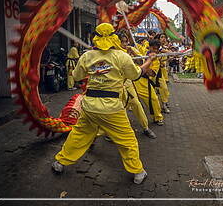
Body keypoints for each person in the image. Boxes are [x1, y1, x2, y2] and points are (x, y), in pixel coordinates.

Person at [52, 23, 157, 184]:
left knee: (78, 134)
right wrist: (149, 60)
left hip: (89, 107)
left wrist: (89, 67)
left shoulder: (87, 56)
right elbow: (136, 75)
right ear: (113, 37)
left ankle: (60, 162)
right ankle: (137, 172)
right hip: (111, 108)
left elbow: (77, 76)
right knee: (127, 140)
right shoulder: (122, 56)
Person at [119, 33, 157, 139]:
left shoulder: (129, 52)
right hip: (115, 85)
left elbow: (140, 63)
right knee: (116, 109)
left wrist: (134, 53)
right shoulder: (114, 54)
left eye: (126, 41)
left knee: (136, 103)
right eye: (122, 41)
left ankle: (145, 127)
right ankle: (102, 134)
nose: (125, 44)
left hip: (128, 82)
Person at [133, 40, 165, 125]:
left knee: (153, 99)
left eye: (157, 49)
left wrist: (146, 63)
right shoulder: (142, 51)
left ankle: (157, 117)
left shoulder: (156, 61)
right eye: (153, 48)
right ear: (149, 47)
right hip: (130, 81)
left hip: (143, 82)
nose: (155, 51)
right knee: (125, 102)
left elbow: (151, 73)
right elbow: (133, 51)